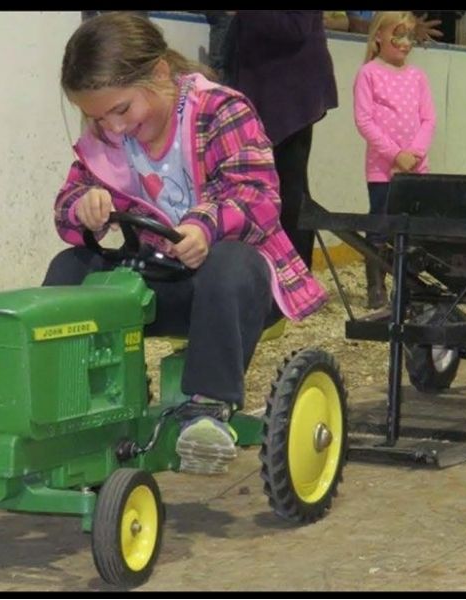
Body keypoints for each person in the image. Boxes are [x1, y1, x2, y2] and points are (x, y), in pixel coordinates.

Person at [51, 13, 329, 474]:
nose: (114, 128)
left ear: (160, 73)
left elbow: (258, 195)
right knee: (70, 266)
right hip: (160, 284)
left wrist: (205, 224)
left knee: (230, 264)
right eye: (98, 118)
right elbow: (66, 203)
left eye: (122, 110)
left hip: (235, 292)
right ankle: (66, 403)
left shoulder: (221, 111)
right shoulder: (106, 138)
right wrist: (83, 208)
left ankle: (207, 410)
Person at [224, 11, 338, 273]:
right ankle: (282, 272)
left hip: (289, 92)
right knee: (280, 187)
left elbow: (295, 29)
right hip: (268, 86)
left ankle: (297, 276)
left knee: (289, 189)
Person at [352, 11, 436, 309]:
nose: (404, 43)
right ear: (379, 36)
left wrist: (415, 153)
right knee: (380, 224)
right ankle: (376, 286)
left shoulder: (418, 77)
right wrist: (395, 154)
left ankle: (409, 285)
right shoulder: (369, 74)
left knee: (411, 228)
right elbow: (364, 121)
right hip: (382, 169)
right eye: (397, 35)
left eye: (409, 37)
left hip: (415, 168)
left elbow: (428, 119)